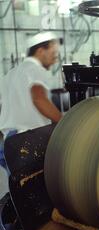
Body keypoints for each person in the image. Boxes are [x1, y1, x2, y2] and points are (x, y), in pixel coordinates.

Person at [0, 31, 63, 173]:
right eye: (53, 54)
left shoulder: (11, 73)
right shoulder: (35, 69)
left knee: (19, 188)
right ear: (40, 51)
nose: (55, 60)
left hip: (9, 141)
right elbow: (39, 98)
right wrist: (65, 121)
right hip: (27, 141)